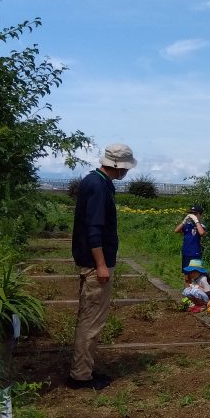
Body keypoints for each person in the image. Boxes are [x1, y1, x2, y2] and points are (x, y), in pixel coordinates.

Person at [69, 142, 137, 389]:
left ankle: (83, 369)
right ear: (118, 167)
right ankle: (81, 375)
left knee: (88, 317)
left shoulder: (94, 182)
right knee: (92, 320)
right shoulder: (98, 186)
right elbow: (94, 229)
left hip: (89, 260)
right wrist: (101, 264)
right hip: (94, 263)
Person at [174, 205, 206, 274]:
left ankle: (195, 285)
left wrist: (196, 220)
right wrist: (184, 221)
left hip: (195, 253)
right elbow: (176, 230)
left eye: (195, 214)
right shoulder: (187, 225)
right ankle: (187, 285)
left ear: (200, 215)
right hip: (186, 252)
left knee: (195, 274)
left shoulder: (201, 225)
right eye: (191, 214)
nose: (192, 216)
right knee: (186, 275)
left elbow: (202, 233)